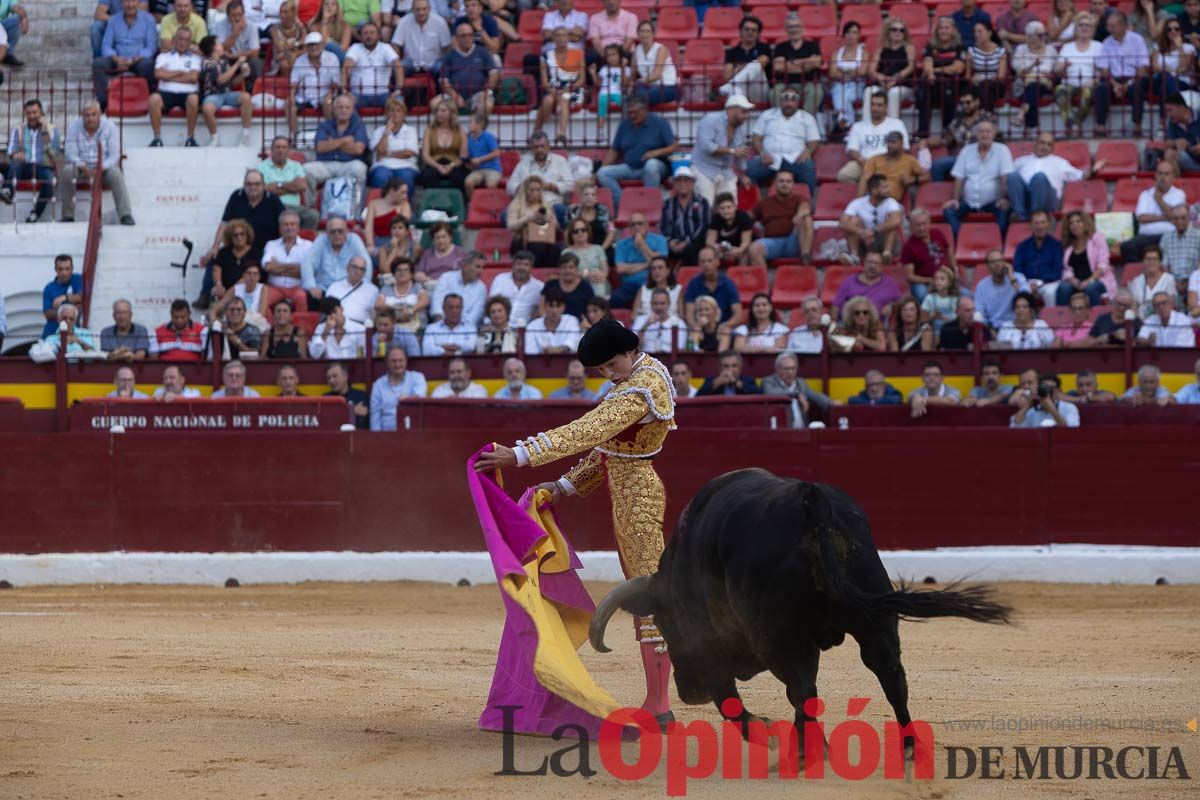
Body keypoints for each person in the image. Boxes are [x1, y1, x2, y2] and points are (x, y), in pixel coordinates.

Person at [474, 317, 678, 726]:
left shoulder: (642, 387)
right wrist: (564, 486)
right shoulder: (636, 375)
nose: (606, 375)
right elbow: (610, 450)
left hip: (638, 498)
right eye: (600, 370)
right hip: (627, 490)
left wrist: (520, 454)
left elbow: (587, 431)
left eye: (608, 366)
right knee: (644, 593)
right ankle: (658, 702)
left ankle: (659, 706)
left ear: (627, 351)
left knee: (648, 595)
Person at [596, 96, 677, 209]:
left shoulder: (660, 122)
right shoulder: (625, 124)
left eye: (635, 112)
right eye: (629, 113)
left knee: (651, 165)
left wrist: (656, 152)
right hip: (630, 167)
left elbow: (674, 146)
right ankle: (624, 205)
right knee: (603, 173)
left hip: (656, 167)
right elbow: (614, 150)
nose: (632, 116)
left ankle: (649, 207)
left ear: (644, 110)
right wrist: (600, 169)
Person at [60, 100, 133, 225]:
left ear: (99, 114)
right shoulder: (74, 126)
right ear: (82, 116)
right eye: (87, 115)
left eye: (93, 114)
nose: (90, 118)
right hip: (82, 167)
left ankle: (125, 214)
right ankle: (68, 215)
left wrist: (101, 168)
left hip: (103, 168)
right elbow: (70, 153)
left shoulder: (110, 126)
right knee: (67, 171)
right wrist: (83, 167)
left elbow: (114, 154)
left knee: (116, 173)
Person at [745, 85, 820, 199]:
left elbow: (814, 140)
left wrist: (808, 152)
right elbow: (756, 137)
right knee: (750, 168)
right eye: (786, 98)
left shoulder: (807, 118)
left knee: (808, 168)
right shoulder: (767, 115)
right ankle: (754, 204)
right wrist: (762, 153)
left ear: (798, 102)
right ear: (780, 100)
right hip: (770, 158)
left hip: (795, 159)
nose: (789, 102)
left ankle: (807, 205)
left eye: (793, 99)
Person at [944, 119, 1012, 237]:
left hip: (993, 202)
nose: (984, 134)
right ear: (976, 134)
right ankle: (962, 240)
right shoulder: (966, 150)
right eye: (981, 131)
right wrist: (955, 199)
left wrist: (1004, 198)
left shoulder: (1002, 150)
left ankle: (996, 245)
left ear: (994, 134)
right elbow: (959, 177)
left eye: (988, 131)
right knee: (949, 211)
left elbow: (1005, 177)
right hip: (969, 202)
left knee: (1005, 210)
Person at [1008, 133, 1094, 223]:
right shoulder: (1021, 161)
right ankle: (1019, 214)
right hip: (1025, 197)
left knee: (1039, 178)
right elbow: (1009, 182)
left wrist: (1093, 171)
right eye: (1042, 143)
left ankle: (1036, 216)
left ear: (1052, 148)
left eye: (1049, 144)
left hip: (1048, 199)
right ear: (1035, 144)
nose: (1045, 146)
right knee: (1013, 176)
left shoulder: (1060, 162)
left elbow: (1079, 175)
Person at [1, 99, 60, 224]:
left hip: (43, 166)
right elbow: (11, 150)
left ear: (41, 113)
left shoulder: (51, 129)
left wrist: (44, 130)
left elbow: (54, 153)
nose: (32, 116)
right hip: (24, 165)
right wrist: (16, 153)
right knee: (15, 166)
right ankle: (8, 192)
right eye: (28, 113)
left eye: (35, 112)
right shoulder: (18, 129)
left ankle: (35, 213)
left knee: (49, 181)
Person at [93, 0, 159, 112]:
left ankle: (148, 100)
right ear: (122, 4)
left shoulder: (148, 19)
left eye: (133, 1)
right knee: (99, 63)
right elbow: (106, 46)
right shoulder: (113, 20)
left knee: (148, 64)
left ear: (138, 3)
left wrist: (135, 60)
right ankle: (104, 102)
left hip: (138, 60)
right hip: (118, 59)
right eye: (127, 2)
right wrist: (116, 58)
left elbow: (151, 47)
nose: (130, 5)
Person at [691, 94, 754, 207]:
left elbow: (741, 154)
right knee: (705, 207)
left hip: (726, 171)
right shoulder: (710, 120)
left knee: (730, 208)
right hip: (704, 169)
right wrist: (732, 151)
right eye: (743, 112)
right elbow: (706, 146)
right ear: (732, 109)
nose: (746, 116)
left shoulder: (740, 129)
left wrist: (742, 175)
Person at [305, 94, 369, 201]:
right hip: (326, 164)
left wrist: (332, 143)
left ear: (352, 110)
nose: (344, 110)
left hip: (348, 164)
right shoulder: (325, 125)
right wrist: (345, 140)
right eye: (340, 107)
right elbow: (320, 147)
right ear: (334, 109)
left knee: (359, 168)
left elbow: (358, 149)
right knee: (305, 170)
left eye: (347, 107)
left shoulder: (358, 125)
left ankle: (355, 205)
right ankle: (311, 204)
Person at [1094, 10, 1148, 136]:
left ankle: (1137, 125)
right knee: (1101, 89)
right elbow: (1104, 69)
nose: (1110, 29)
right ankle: (1101, 126)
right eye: (1108, 26)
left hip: (1134, 78)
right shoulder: (1107, 42)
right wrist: (1115, 85)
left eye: (1113, 26)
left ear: (1123, 25)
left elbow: (1142, 67)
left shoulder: (1137, 40)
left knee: (1137, 88)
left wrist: (1127, 85)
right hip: (1114, 79)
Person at [837, 91, 908, 185]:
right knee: (843, 175)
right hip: (863, 163)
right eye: (873, 105)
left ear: (886, 107)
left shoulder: (897, 124)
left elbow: (904, 148)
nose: (875, 108)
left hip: (888, 163)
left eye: (879, 105)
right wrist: (862, 160)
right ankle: (865, 194)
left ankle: (869, 190)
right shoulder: (858, 126)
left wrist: (886, 162)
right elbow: (852, 149)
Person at [148, 27, 203, 149]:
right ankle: (157, 139)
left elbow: (193, 77)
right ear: (174, 40)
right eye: (180, 39)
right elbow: (158, 74)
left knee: (194, 99)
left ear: (190, 42)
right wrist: (182, 73)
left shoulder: (196, 57)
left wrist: (169, 75)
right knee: (153, 99)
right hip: (166, 93)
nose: (183, 42)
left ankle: (190, 138)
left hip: (188, 93)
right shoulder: (163, 56)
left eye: (187, 40)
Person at [1122, 162, 1186, 264]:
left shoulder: (1179, 194)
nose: (1163, 177)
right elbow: (1141, 218)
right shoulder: (1145, 194)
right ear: (1155, 175)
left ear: (1173, 176)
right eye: (1160, 173)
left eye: (1166, 174)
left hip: (1169, 236)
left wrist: (1158, 199)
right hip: (1146, 237)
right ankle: (1139, 275)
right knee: (1127, 247)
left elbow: (1176, 218)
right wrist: (1165, 217)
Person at [915, 17, 967, 138]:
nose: (943, 31)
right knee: (924, 90)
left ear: (953, 30)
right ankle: (923, 132)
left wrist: (936, 70)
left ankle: (947, 131)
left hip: (951, 85)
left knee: (945, 88)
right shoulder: (931, 46)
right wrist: (931, 73)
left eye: (946, 28)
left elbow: (958, 67)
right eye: (940, 28)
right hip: (933, 85)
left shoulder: (959, 47)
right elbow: (927, 64)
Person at [748, 170, 812, 266]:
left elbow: (805, 208)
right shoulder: (765, 202)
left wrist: (800, 213)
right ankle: (763, 280)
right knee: (754, 248)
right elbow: (748, 217)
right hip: (772, 242)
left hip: (794, 242)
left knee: (805, 219)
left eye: (788, 181)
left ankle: (805, 257)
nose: (785, 184)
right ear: (775, 184)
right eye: (781, 181)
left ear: (793, 184)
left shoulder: (799, 198)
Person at [1054, 13, 1104, 136]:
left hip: (1090, 83)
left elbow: (1104, 70)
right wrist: (1062, 67)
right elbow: (1057, 70)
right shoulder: (1067, 47)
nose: (1084, 28)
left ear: (1093, 29)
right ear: (1076, 29)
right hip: (1069, 83)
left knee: (1087, 92)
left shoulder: (1099, 46)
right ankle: (1072, 124)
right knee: (1060, 90)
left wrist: (1095, 79)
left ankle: (1074, 124)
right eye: (1081, 25)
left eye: (1088, 25)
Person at [301, 215, 372, 301]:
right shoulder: (322, 240)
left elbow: (366, 263)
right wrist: (311, 286)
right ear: (326, 233)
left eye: (340, 231)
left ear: (347, 231)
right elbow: (307, 262)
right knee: (310, 297)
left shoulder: (354, 240)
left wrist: (362, 287)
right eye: (333, 231)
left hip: (348, 290)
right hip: (324, 290)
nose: (336, 234)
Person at [538, 26, 586, 146]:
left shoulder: (578, 54)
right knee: (548, 100)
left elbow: (582, 79)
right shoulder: (545, 56)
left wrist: (568, 88)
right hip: (553, 89)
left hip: (573, 89)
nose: (561, 38)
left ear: (568, 38)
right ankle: (538, 130)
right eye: (558, 35)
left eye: (564, 35)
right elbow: (544, 82)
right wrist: (553, 91)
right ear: (553, 38)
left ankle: (562, 133)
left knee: (564, 97)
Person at [1059, 210, 1117, 307]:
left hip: (1097, 279)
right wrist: (1072, 280)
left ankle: (1096, 319)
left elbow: (1103, 264)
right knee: (1063, 288)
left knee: (1091, 287)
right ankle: (1062, 319)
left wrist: (1089, 280)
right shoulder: (1068, 245)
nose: (1075, 225)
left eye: (1078, 221)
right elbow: (1066, 268)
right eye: (1071, 223)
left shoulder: (1097, 238)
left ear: (1085, 223)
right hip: (1077, 281)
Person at [864, 18, 916, 124]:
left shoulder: (909, 48)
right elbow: (871, 70)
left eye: (901, 30)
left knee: (893, 93)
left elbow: (910, 67)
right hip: (883, 82)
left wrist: (895, 79)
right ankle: (867, 126)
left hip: (903, 84)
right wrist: (881, 78)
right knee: (869, 91)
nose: (898, 32)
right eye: (894, 29)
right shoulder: (880, 49)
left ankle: (893, 129)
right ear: (888, 32)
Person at [839, 175, 904, 260]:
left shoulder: (891, 202)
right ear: (874, 190)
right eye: (885, 187)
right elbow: (843, 222)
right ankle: (854, 256)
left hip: (882, 239)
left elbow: (896, 220)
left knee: (891, 224)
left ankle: (886, 254)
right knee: (853, 221)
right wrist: (861, 232)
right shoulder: (857, 203)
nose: (889, 190)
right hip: (863, 240)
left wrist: (874, 231)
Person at [288, 32, 340, 136]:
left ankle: (330, 134)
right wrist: (291, 96)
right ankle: (294, 136)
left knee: (328, 102)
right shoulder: (300, 60)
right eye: (310, 45)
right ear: (306, 47)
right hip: (304, 96)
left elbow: (336, 82)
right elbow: (294, 82)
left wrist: (330, 94)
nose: (314, 47)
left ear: (322, 45)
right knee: (288, 104)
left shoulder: (332, 58)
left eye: (316, 44)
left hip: (325, 94)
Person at [260, 137, 318, 231]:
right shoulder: (262, 167)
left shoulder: (296, 165)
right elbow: (265, 190)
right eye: (277, 147)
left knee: (312, 215)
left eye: (284, 147)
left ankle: (304, 244)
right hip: (273, 206)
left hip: (295, 207)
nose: (280, 150)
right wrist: (292, 187)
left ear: (288, 150)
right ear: (271, 150)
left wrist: (278, 185)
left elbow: (302, 185)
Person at [761, 351, 832, 428]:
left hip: (803, 430)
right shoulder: (769, 381)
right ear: (778, 369)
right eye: (786, 369)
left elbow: (817, 397)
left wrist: (832, 404)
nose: (790, 372)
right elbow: (771, 393)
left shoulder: (801, 383)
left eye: (793, 368)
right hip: (782, 431)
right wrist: (796, 394)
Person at [439, 20, 498, 113]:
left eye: (470, 35)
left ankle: (476, 127)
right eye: (463, 35)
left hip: (478, 95)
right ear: (457, 38)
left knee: (487, 104)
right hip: (454, 95)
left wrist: (487, 91)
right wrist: (454, 95)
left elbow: (493, 74)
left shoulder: (482, 52)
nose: (467, 38)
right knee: (435, 103)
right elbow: (443, 81)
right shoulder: (449, 55)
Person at [611, 213, 668, 308]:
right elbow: (621, 269)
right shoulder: (621, 244)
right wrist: (647, 264)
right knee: (615, 298)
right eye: (633, 224)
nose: (636, 227)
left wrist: (643, 246)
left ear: (647, 225)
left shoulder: (660, 240)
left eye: (640, 223)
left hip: (653, 283)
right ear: (629, 228)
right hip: (630, 284)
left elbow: (660, 263)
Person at [770, 14, 824, 116]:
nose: (794, 29)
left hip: (808, 83)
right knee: (775, 92)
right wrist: (806, 64)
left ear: (802, 28)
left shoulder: (812, 45)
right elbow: (778, 67)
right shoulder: (780, 47)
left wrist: (792, 63)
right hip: (786, 83)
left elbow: (816, 63)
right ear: (786, 29)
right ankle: (780, 121)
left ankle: (806, 122)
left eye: (797, 26)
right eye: (791, 27)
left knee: (816, 90)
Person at [342, 21, 401, 111]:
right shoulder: (355, 47)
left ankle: (390, 126)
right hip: (358, 95)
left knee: (399, 102)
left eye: (372, 33)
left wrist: (398, 89)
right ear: (361, 36)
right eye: (365, 33)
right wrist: (344, 90)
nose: (369, 36)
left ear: (378, 35)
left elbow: (398, 66)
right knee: (345, 104)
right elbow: (346, 67)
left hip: (383, 94)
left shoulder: (386, 48)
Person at [901, 208, 956, 303]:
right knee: (921, 294)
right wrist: (931, 280)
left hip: (945, 278)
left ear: (930, 223)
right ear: (911, 226)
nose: (922, 228)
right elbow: (910, 276)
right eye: (918, 225)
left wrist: (955, 270)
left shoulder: (937, 233)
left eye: (924, 224)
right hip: (924, 283)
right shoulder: (908, 246)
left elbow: (949, 250)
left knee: (966, 295)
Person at [859, 130, 927, 207]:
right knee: (865, 177)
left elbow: (927, 176)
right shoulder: (875, 159)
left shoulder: (910, 160)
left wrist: (912, 179)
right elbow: (866, 178)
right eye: (888, 142)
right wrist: (860, 202)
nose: (889, 145)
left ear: (902, 144)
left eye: (893, 142)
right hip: (873, 199)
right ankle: (859, 204)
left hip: (892, 201)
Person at [1012, 20, 1057, 134]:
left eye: (1044, 34)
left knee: (1034, 86)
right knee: (1033, 89)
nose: (1043, 38)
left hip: (1045, 82)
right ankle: (1030, 127)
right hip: (1025, 83)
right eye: (1040, 35)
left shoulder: (1051, 50)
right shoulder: (1021, 49)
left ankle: (1022, 115)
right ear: (1030, 37)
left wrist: (1051, 75)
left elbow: (1056, 71)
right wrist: (1033, 65)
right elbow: (1019, 73)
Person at [506, 176, 562, 269]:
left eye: (538, 190)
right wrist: (528, 219)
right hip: (523, 240)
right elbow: (510, 226)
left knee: (555, 250)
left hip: (544, 238)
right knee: (537, 247)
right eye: (532, 190)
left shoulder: (545, 204)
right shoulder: (516, 204)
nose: (535, 193)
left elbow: (557, 227)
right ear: (525, 191)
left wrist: (546, 219)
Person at [1013, 210, 1065, 306]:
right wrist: (1027, 283)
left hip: (1049, 282)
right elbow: (1017, 268)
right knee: (1020, 290)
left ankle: (1051, 319)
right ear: (1031, 225)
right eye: (1036, 223)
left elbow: (1058, 269)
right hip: (1027, 282)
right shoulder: (1022, 246)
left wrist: (1041, 283)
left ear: (1048, 224)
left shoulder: (1057, 245)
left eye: (1043, 222)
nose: (1040, 226)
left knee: (1050, 292)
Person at [659, 167, 709, 267]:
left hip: (695, 242)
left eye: (686, 180)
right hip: (674, 242)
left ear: (692, 183)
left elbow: (704, 225)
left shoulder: (702, 202)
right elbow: (663, 227)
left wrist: (687, 242)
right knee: (659, 249)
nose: (682, 183)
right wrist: (670, 242)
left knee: (691, 250)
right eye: (679, 180)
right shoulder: (668, 204)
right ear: (674, 184)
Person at [369, 98, 420, 195]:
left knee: (406, 177)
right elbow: (380, 151)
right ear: (387, 113)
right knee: (380, 177)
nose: (394, 114)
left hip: (406, 165)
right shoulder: (379, 131)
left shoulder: (410, 130)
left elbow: (409, 153)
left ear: (403, 114)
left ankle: (405, 208)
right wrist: (386, 133)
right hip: (382, 165)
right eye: (391, 110)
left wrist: (388, 153)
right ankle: (379, 208)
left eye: (398, 110)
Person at [832, 252, 903, 322]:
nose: (872, 266)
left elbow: (901, 302)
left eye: (876, 263)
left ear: (882, 266)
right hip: (851, 326)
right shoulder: (849, 281)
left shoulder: (889, 283)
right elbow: (836, 305)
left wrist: (891, 306)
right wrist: (833, 323)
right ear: (864, 263)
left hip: (877, 327)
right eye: (870, 262)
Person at [370, 345, 428, 430]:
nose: (397, 365)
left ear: (406, 361)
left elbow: (419, 400)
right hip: (386, 436)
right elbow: (375, 418)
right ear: (387, 362)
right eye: (393, 361)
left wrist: (407, 400)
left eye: (401, 360)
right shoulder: (378, 385)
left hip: (412, 433)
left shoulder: (418, 378)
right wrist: (377, 440)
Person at [828, 21, 868, 137]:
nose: (851, 35)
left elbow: (862, 72)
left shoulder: (863, 53)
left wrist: (842, 71)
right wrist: (851, 72)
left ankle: (842, 121)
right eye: (848, 32)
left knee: (844, 94)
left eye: (854, 32)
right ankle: (850, 128)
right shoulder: (837, 53)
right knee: (840, 91)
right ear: (844, 35)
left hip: (857, 86)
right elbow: (832, 72)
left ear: (859, 35)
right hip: (839, 85)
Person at [683, 246, 741, 325]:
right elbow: (689, 315)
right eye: (703, 261)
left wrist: (726, 326)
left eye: (709, 261)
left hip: (723, 326)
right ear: (699, 264)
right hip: (701, 325)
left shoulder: (728, 284)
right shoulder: (693, 284)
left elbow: (738, 315)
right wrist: (696, 327)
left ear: (717, 262)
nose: (706, 264)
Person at [418, 100, 469, 188]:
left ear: (451, 113)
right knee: (427, 177)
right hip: (435, 163)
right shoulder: (430, 129)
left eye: (443, 111)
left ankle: (457, 201)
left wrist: (450, 166)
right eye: (437, 110)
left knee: (459, 177)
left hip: (454, 163)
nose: (439, 113)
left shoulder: (459, 130)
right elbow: (425, 155)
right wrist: (438, 166)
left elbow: (464, 155)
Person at [261, 210, 313, 296]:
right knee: (264, 299)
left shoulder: (308, 246)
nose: (289, 227)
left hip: (298, 289)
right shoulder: (271, 244)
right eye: (285, 224)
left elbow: (307, 271)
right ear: (280, 227)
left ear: (298, 227)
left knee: (301, 297)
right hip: (274, 288)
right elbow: (268, 267)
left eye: (292, 224)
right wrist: (296, 267)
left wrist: (277, 267)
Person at [430, 251, 487, 326]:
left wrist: (458, 328)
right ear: (465, 265)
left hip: (465, 330)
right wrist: (442, 325)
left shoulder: (481, 288)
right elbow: (437, 303)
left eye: (482, 268)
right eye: (477, 267)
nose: (481, 271)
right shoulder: (446, 278)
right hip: (441, 325)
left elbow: (475, 316)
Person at [489, 252, 544, 326]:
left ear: (531, 267)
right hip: (498, 326)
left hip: (524, 330)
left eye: (526, 265)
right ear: (513, 265)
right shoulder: (500, 280)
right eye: (519, 264)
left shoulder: (539, 287)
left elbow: (541, 310)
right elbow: (491, 304)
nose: (522, 268)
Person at [631, 19, 678, 106]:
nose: (645, 34)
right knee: (634, 94)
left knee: (641, 97)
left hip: (667, 86)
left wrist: (639, 81)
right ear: (637, 34)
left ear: (653, 34)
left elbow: (657, 75)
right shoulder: (637, 50)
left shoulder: (661, 49)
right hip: (648, 86)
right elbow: (632, 75)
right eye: (642, 31)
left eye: (648, 31)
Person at [525, 286, 582, 355]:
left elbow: (571, 343)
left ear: (564, 307)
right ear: (545, 306)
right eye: (551, 306)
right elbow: (530, 352)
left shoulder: (571, 321)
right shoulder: (532, 326)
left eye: (558, 306)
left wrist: (558, 350)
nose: (555, 310)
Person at [363, 179, 412, 257]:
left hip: (398, 242)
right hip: (379, 241)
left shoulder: (405, 205)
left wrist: (394, 246)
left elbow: (403, 229)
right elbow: (368, 228)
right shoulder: (374, 204)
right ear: (392, 191)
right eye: (402, 193)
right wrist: (370, 245)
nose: (405, 196)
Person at [323, 256, 379, 324]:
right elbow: (325, 310)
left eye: (362, 269)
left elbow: (375, 316)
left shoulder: (372, 290)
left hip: (358, 328)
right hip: (334, 324)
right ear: (348, 268)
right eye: (355, 267)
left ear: (364, 272)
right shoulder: (334, 286)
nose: (358, 271)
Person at [1010, 373, 1081, 426]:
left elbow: (1071, 431)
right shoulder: (1034, 410)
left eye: (1051, 388)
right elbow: (1015, 426)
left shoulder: (1069, 408)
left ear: (1058, 391)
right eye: (1045, 388)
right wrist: (1029, 403)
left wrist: (1052, 409)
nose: (1048, 391)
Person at [1158, 203, 1200, 291]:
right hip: (1172, 283)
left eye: (1183, 218)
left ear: (1189, 218)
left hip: (1195, 282)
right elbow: (1165, 265)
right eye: (1176, 218)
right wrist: (1173, 283)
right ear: (1172, 220)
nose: (1179, 221)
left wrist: (1190, 282)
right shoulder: (1166, 238)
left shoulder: (1198, 236)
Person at [1128, 245, 1177, 318]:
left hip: (1163, 320)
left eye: (1154, 259)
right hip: (1141, 322)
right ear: (1143, 261)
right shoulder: (1135, 281)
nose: (1151, 262)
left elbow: (1172, 305)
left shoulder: (1169, 279)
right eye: (1148, 259)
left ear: (1160, 262)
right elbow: (1133, 306)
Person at [41, 255, 84, 339]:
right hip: (51, 333)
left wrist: (64, 298)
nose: (64, 273)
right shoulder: (49, 288)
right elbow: (48, 313)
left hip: (74, 335)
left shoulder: (78, 280)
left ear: (72, 269)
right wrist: (71, 311)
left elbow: (82, 297)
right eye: (60, 269)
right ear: (55, 270)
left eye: (67, 269)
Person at [705, 192, 754, 265]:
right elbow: (709, 241)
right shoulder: (715, 218)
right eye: (722, 208)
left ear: (735, 207)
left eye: (729, 207)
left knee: (746, 252)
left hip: (740, 249)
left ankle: (740, 274)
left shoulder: (743, 217)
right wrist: (717, 248)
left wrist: (738, 251)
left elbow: (746, 242)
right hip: (722, 249)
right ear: (717, 210)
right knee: (708, 252)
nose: (726, 211)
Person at [633, 287, 686, 353]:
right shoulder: (640, 320)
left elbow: (680, 349)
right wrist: (645, 326)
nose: (658, 307)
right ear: (650, 303)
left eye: (662, 303)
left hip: (670, 359)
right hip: (646, 359)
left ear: (669, 304)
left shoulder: (679, 323)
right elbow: (634, 348)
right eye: (655, 303)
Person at [544, 254, 594, 320]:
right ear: (560, 269)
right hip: (553, 325)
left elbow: (592, 310)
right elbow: (542, 306)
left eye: (571, 267)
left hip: (579, 326)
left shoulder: (585, 287)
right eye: (564, 267)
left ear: (577, 269)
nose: (567, 270)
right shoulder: (550, 285)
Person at [463, 113, 501, 198]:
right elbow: (468, 156)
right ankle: (473, 204)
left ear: (479, 124)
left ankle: (491, 205)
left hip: (493, 169)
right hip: (478, 170)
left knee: (491, 184)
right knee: (468, 182)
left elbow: (496, 153)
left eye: (471, 122)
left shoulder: (488, 136)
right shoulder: (469, 140)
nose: (469, 125)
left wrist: (480, 159)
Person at [214, 295, 263, 359]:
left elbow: (254, 355)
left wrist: (236, 341)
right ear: (225, 312)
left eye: (239, 309)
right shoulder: (219, 329)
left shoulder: (253, 330)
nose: (235, 312)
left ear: (244, 313)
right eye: (232, 310)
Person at [323, 361, 370, 427]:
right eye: (328, 378)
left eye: (335, 376)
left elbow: (363, 422)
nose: (331, 381)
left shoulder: (361, 396)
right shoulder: (325, 399)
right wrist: (352, 411)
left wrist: (336, 414)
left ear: (345, 376)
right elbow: (325, 421)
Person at [270, 0, 308, 79]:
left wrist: (295, 53)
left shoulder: (300, 28)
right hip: (280, 59)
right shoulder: (274, 29)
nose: (282, 15)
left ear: (293, 13)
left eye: (286, 12)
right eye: (281, 12)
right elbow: (280, 48)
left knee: (294, 58)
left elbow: (305, 48)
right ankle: (287, 87)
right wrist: (297, 44)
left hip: (297, 56)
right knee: (285, 64)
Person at [1164, 92, 1200, 174]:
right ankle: (1177, 184)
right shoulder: (1172, 122)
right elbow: (1168, 143)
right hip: (1190, 160)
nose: (1168, 114)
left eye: (1170, 110)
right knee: (1169, 153)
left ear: (1181, 108)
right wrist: (1175, 143)